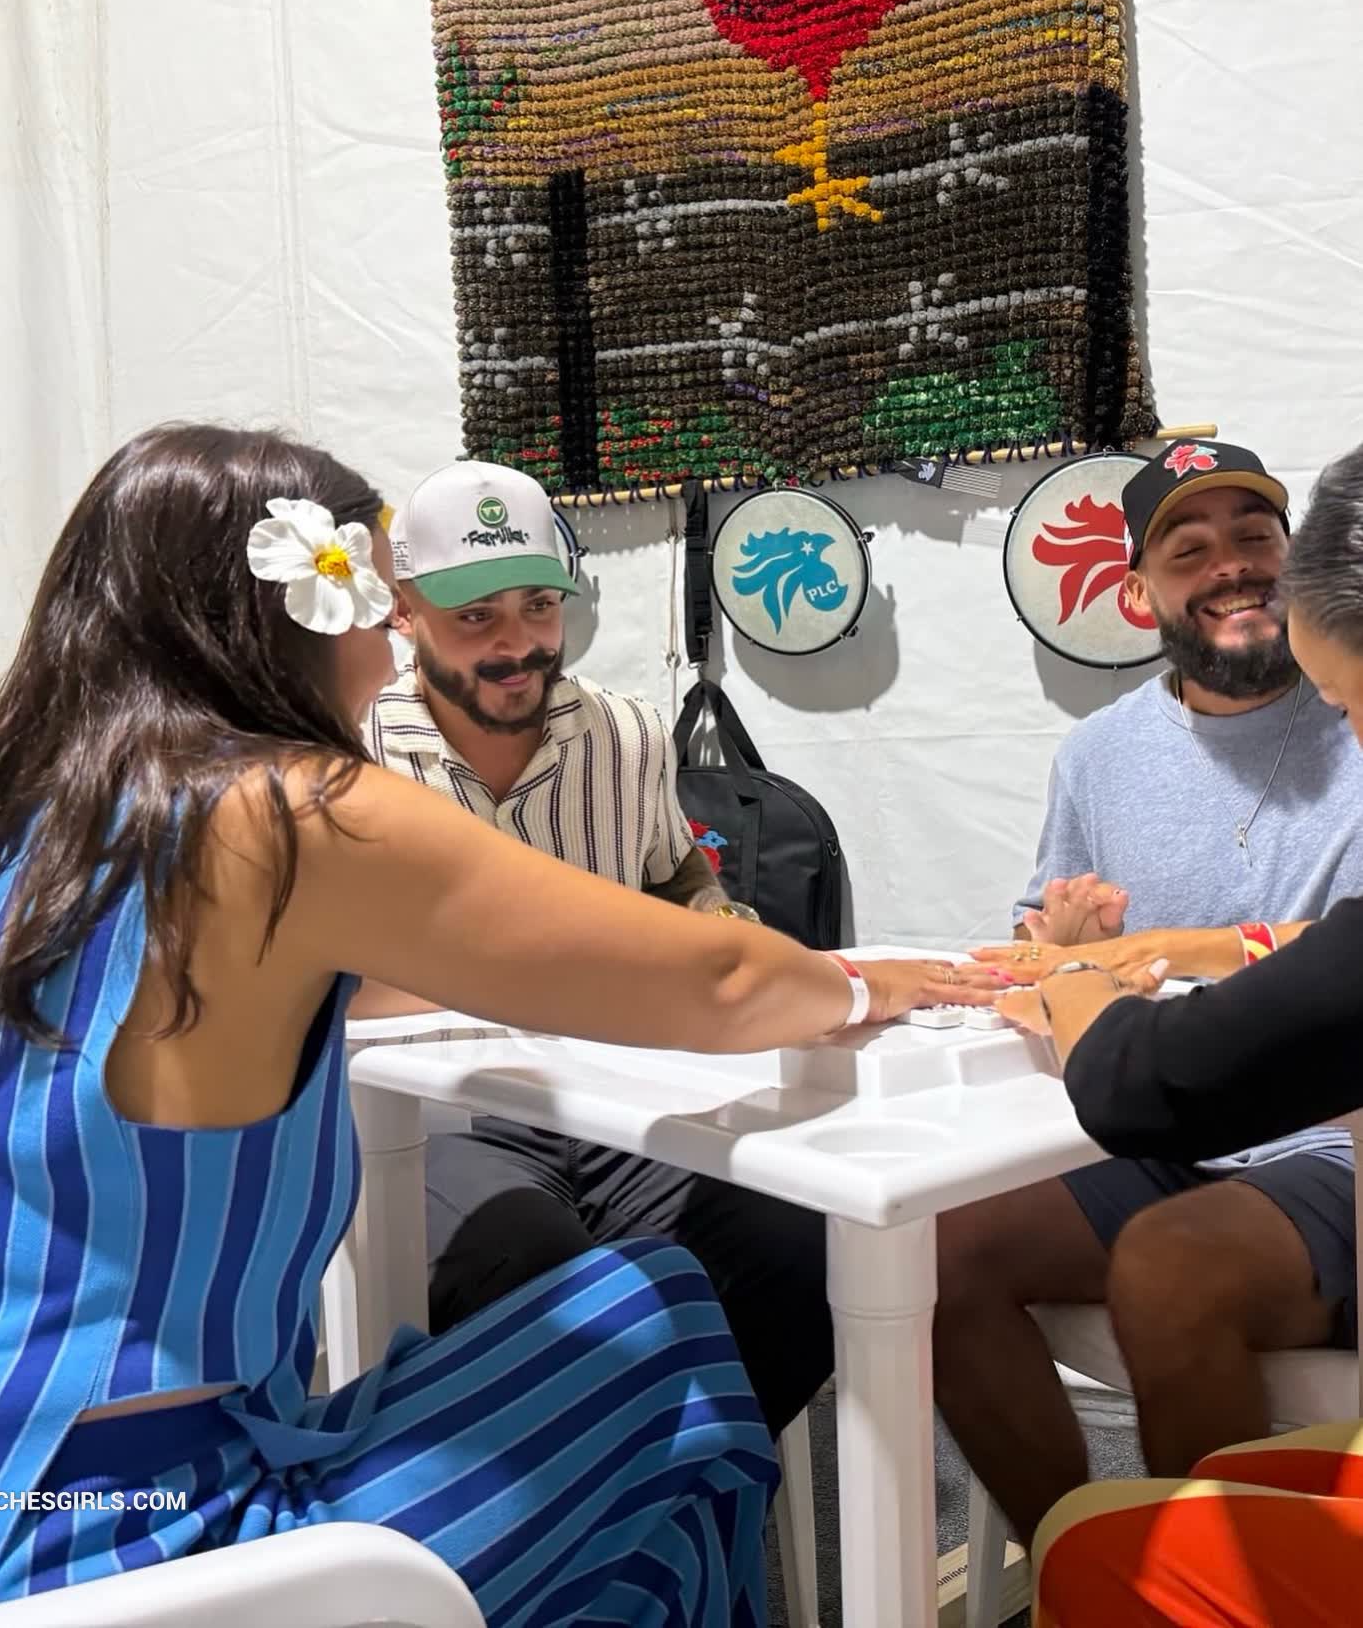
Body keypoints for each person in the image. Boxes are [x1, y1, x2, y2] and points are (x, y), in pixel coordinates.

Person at [0, 423, 996, 1619]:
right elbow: (720, 982)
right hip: (148, 1525)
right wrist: (868, 983)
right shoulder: (286, 808)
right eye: (377, 602)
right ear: (297, 608)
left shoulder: (27, 832)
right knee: (663, 1329)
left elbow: (405, 976)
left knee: (639, 1439)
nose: (391, 647)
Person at [362, 458, 998, 1439]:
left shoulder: (626, 735)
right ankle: (599, 1500)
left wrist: (724, 926)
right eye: (475, 616)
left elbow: (675, 875)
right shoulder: (348, 751)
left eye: (538, 606)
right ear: (403, 612)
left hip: (623, 1095)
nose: (516, 644)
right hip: (443, 1118)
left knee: (808, 1238)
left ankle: (685, 1477)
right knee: (531, 1268)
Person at [933, 440, 1363, 1552]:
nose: (1233, 566)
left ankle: (1207, 1589)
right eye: (1191, 549)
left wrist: (1143, 959)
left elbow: (1342, 967)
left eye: (1255, 536)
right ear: (1137, 594)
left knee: (1169, 1265)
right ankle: (1087, 1564)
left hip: (1330, 1141)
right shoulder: (1099, 755)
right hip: (1159, 1123)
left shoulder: (1354, 701)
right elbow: (1045, 945)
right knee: (936, 1251)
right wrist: (1064, 947)